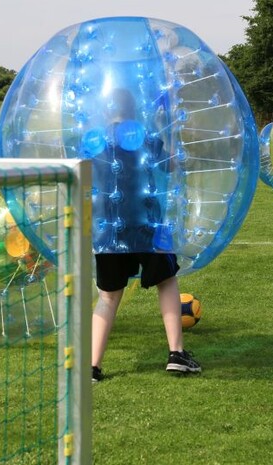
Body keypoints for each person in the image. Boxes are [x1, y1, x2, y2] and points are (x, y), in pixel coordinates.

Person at [90, 88, 201, 382]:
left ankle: (93, 366)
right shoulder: (146, 139)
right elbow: (172, 166)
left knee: (108, 296)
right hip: (148, 227)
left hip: (109, 231)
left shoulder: (94, 143)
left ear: (104, 110)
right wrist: (173, 130)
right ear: (135, 110)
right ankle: (176, 353)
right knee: (167, 281)